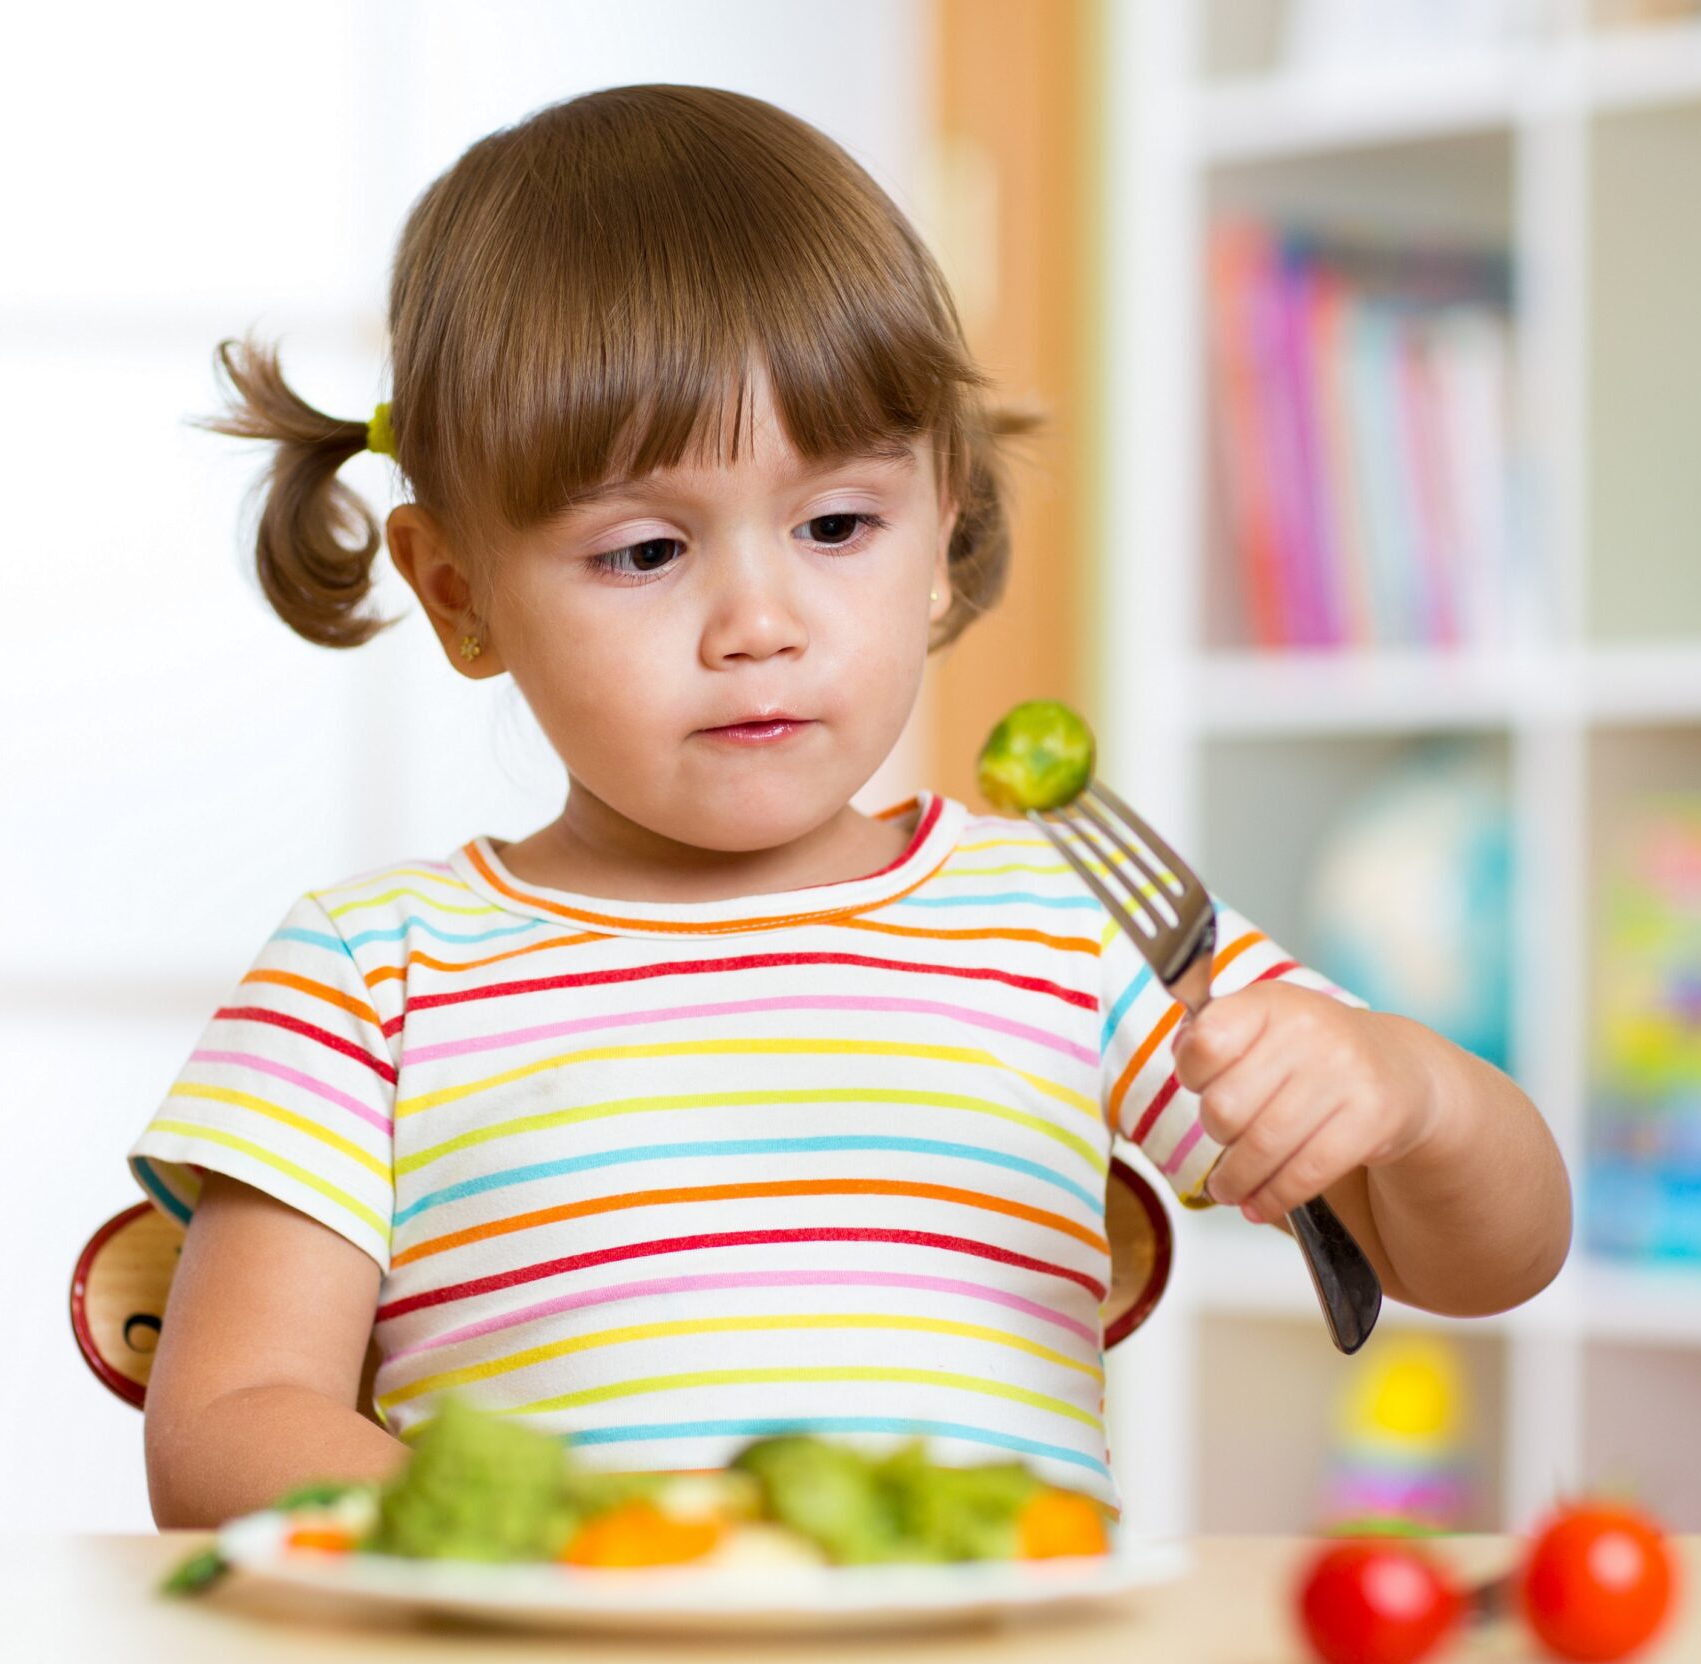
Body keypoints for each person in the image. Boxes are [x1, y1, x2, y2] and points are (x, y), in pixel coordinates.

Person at [129, 83, 1570, 1531]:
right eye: (642, 551)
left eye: (835, 526)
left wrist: (1413, 1094)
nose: (760, 620)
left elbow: (1484, 1261)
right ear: (458, 590)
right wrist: (575, 1556)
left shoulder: (1061, 923)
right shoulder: (369, 976)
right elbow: (230, 1427)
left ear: (942, 532)